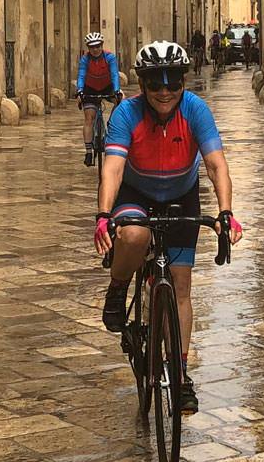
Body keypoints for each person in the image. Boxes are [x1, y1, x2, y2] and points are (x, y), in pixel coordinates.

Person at [93, 40, 242, 414]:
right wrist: (103, 214)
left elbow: (216, 165)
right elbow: (112, 167)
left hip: (181, 196)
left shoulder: (195, 110)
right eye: (155, 83)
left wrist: (226, 213)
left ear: (183, 83)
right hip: (136, 194)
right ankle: (118, 285)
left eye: (173, 81)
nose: (164, 91)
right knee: (134, 234)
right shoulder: (127, 113)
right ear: (142, 84)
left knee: (180, 286)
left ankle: (180, 375)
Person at [76, 32, 122, 167]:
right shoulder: (85, 59)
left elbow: (114, 75)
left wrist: (117, 90)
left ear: (102, 45)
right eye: (92, 47)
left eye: (98, 46)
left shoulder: (109, 57)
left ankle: (112, 123)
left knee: (121, 100)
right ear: (88, 48)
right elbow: (81, 75)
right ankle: (89, 151)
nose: (95, 49)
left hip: (107, 87)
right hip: (90, 88)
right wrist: (79, 90)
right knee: (89, 118)